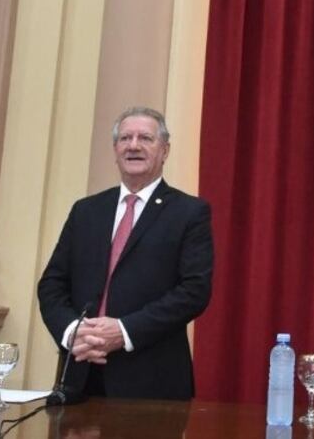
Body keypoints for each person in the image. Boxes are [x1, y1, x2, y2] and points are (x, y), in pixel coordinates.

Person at [38, 106, 214, 400]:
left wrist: (124, 330)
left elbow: (194, 291)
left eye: (145, 138)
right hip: (80, 374)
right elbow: (52, 284)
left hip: (151, 382)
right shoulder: (86, 211)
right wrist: (71, 332)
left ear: (165, 150)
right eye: (125, 138)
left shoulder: (189, 212)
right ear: (115, 150)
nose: (133, 145)